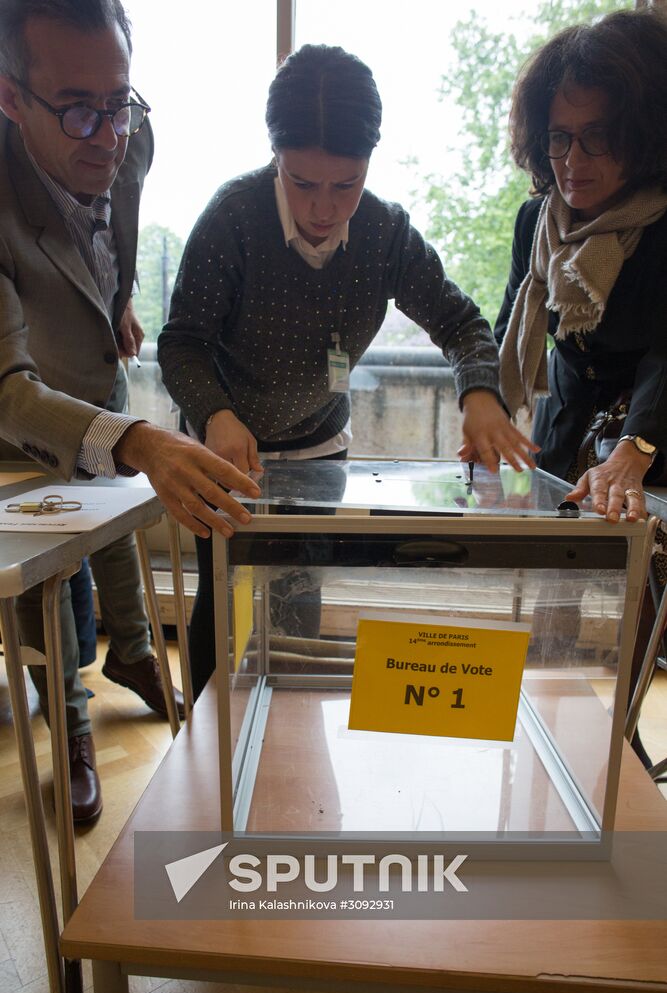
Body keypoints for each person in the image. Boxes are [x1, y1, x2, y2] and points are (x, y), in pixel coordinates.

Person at [158, 43, 538, 700]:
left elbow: (460, 322)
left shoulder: (384, 233)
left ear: (368, 166)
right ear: (276, 156)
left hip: (319, 449)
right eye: (303, 183)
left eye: (346, 185)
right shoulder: (233, 218)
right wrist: (215, 415)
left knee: (300, 602)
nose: (323, 209)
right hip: (224, 455)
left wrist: (479, 394)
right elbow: (182, 343)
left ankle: (287, 750)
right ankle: (206, 750)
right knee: (219, 608)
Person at [0, 0, 260, 822]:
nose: (108, 135)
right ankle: (72, 728)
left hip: (90, 357)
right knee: (51, 565)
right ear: (10, 98)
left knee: (115, 522)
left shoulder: (128, 134)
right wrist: (140, 439)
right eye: (78, 109)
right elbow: (8, 389)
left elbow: (113, 222)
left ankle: (137, 657)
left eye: (119, 103)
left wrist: (114, 300)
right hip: (18, 403)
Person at [494, 8, 667, 765]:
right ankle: (539, 754)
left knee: (641, 621)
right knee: (549, 612)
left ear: (644, 132)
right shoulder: (537, 219)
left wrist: (635, 451)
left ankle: (616, 776)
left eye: (597, 136)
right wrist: (493, 421)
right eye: (559, 137)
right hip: (566, 436)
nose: (574, 158)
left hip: (656, 440)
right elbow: (510, 328)